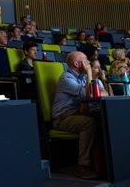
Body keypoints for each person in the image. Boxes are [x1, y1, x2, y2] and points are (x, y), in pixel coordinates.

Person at [52, 51, 97, 180]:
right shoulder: (66, 78)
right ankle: (82, 166)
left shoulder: (82, 78)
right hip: (62, 118)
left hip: (75, 115)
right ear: (77, 63)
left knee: (101, 118)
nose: (89, 63)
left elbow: (100, 92)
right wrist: (89, 73)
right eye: (86, 60)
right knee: (89, 123)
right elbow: (89, 95)